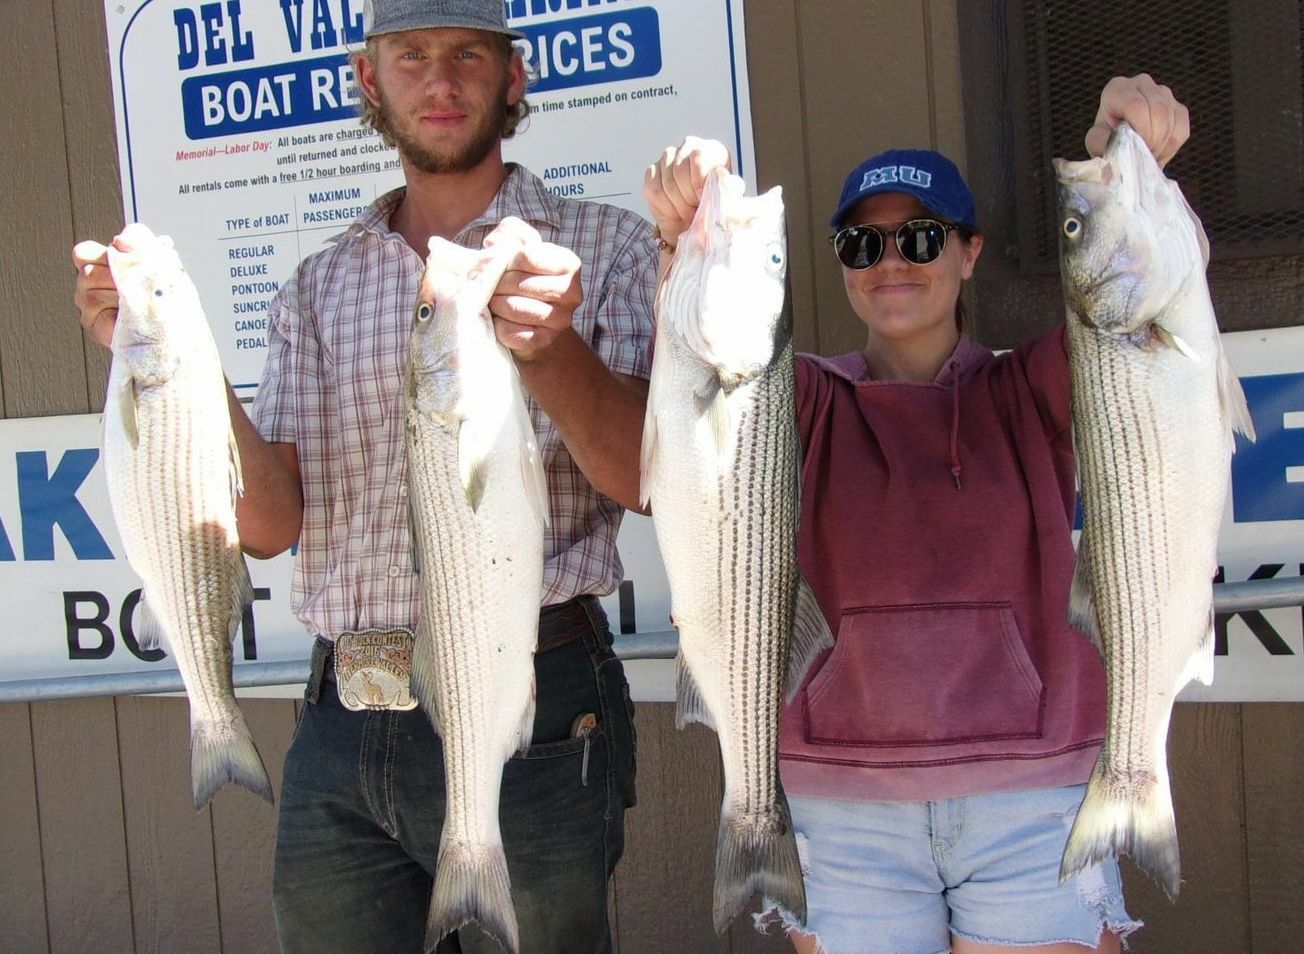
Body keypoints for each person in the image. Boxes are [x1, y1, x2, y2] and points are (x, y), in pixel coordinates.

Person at [72, 1, 655, 951]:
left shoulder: (610, 248)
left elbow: (644, 477)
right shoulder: (318, 280)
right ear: (367, 81)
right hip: (343, 716)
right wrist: (172, 354)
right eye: (412, 54)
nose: (441, 79)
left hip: (536, 692)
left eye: (470, 54)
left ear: (514, 78)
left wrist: (552, 351)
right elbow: (267, 524)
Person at [643, 74, 1190, 954]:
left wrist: (1122, 162)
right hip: (838, 807)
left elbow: (1139, 299)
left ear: (970, 252)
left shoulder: (1035, 386)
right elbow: (698, 378)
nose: (891, 260)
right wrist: (684, 241)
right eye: (863, 243)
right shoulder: (799, 398)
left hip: (1033, 791)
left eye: (921, 236)